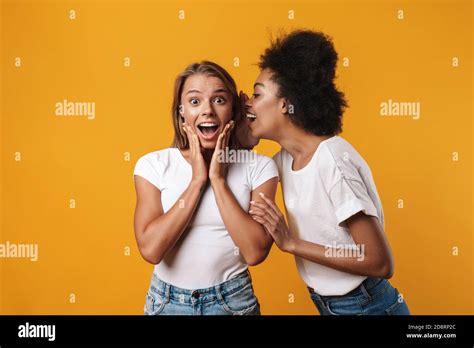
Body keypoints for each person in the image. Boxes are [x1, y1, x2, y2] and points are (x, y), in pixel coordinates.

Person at [244, 30, 410, 315]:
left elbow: (380, 262)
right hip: (332, 305)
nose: (248, 102)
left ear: (285, 103)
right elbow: (242, 161)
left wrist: (291, 243)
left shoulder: (332, 160)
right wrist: (242, 134)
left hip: (367, 306)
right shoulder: (283, 161)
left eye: (257, 94)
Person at [133, 61, 278, 315]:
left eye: (219, 100)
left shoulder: (259, 167)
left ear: (233, 109)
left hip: (233, 302)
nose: (208, 110)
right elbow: (151, 249)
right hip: (166, 304)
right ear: (181, 111)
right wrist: (197, 181)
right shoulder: (153, 165)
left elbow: (255, 252)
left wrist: (219, 181)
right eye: (195, 101)